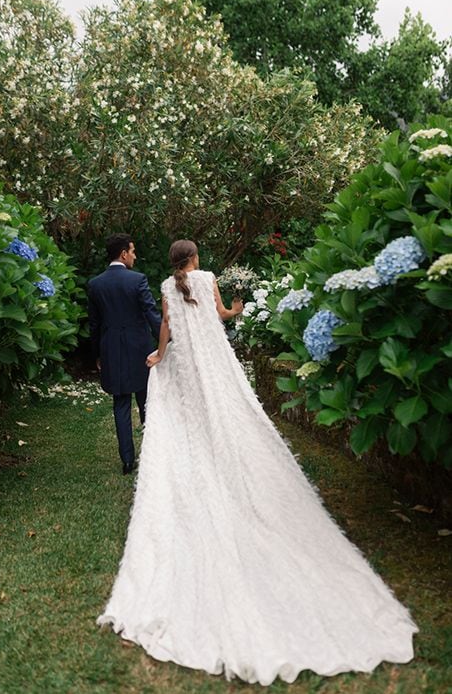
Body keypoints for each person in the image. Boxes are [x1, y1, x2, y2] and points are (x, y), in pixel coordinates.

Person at [97, 239, 417, 685]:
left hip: (187, 364)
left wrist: (161, 355)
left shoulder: (169, 286)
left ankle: (202, 456)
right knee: (228, 409)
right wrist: (237, 308)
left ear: (173, 263)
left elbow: (167, 327)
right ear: (196, 259)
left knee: (192, 414)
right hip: (214, 362)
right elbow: (221, 316)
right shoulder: (207, 279)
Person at [87, 233, 161, 475]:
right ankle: (152, 455)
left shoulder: (95, 284)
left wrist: (98, 353)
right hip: (141, 350)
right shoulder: (137, 280)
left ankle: (127, 461)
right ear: (123, 254)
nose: (135, 256)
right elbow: (152, 316)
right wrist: (165, 343)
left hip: (112, 351)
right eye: (133, 251)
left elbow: (94, 325)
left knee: (120, 404)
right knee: (146, 402)